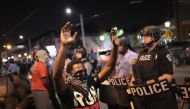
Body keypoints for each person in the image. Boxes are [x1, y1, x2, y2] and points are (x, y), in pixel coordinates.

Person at [53, 21, 118, 109]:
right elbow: (57, 75)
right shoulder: (66, 89)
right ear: (70, 74)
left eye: (84, 71)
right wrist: (64, 45)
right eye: (79, 71)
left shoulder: (91, 81)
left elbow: (109, 67)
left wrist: (115, 47)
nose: (83, 73)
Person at [131, 26, 178, 109]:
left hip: (162, 99)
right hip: (146, 99)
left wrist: (148, 83)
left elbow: (169, 77)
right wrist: (132, 84)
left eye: (146, 36)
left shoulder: (163, 52)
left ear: (154, 36)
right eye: (143, 36)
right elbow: (136, 73)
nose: (144, 38)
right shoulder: (142, 53)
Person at [100, 36, 138, 109]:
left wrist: (119, 78)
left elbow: (134, 74)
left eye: (120, 45)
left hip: (129, 91)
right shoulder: (118, 55)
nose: (118, 47)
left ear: (126, 45)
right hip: (118, 91)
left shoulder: (133, 56)